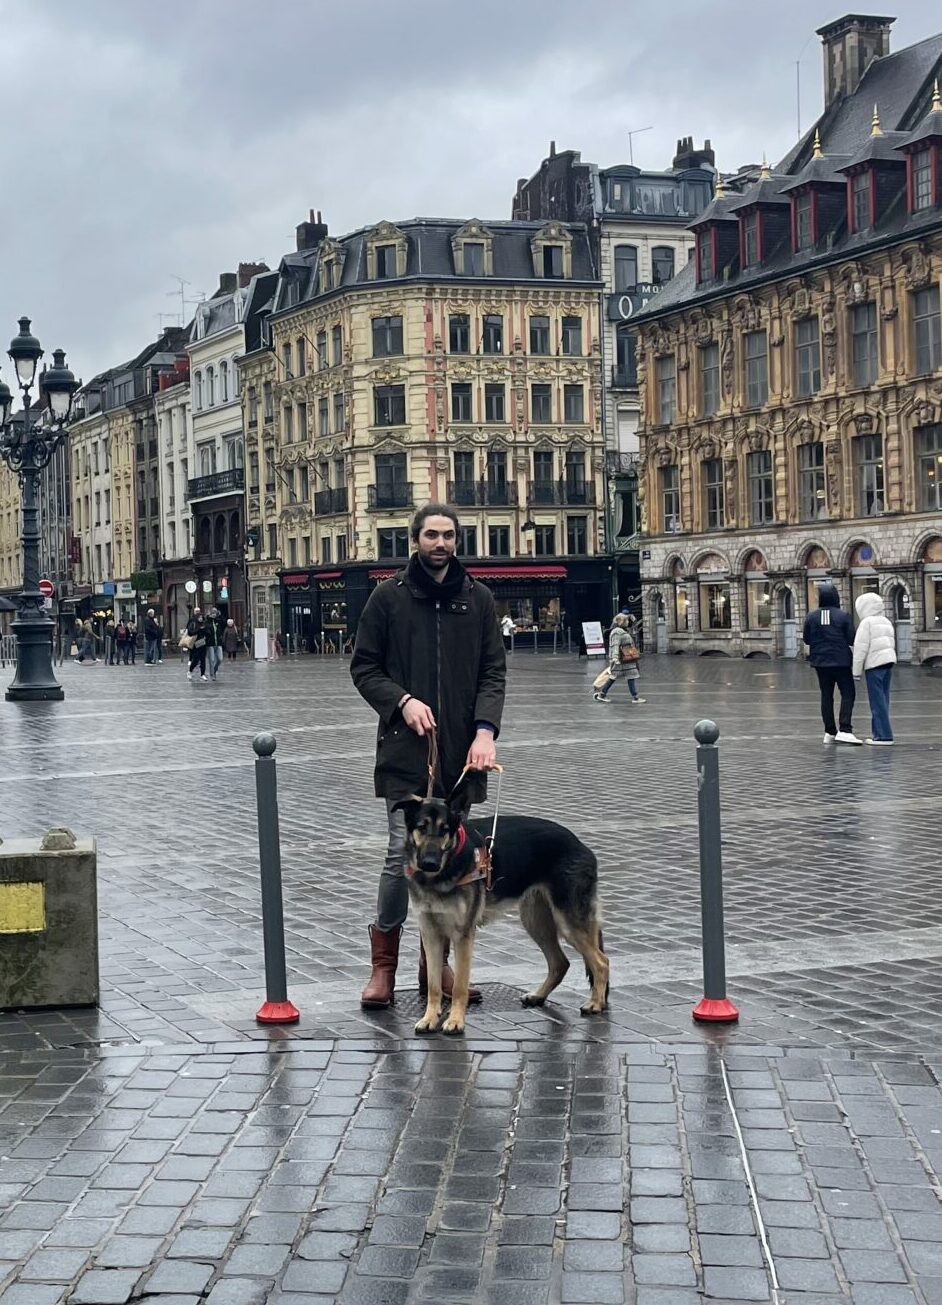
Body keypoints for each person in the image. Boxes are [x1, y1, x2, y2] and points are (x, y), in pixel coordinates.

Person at [351, 502, 507, 1010]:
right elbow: (364, 667)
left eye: (449, 536)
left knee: (451, 855)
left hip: (462, 753)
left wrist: (485, 732)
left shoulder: (478, 599)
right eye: (431, 535)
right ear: (414, 539)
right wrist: (401, 701)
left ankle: (433, 964)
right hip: (404, 748)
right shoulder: (387, 598)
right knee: (404, 853)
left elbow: (492, 672)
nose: (441, 544)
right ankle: (384, 966)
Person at [802, 583, 861, 745]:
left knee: (826, 695)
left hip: (820, 661)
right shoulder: (843, 615)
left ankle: (829, 731)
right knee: (848, 693)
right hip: (841, 661)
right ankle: (845, 728)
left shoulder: (811, 616)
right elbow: (851, 638)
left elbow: (806, 638)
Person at [852, 592, 897, 745]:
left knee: (877, 701)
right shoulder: (886, 621)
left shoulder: (867, 623)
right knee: (884, 700)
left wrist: (856, 672)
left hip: (874, 664)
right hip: (888, 662)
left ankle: (883, 736)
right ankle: (878, 733)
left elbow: (860, 649)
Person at [593, 612, 645, 704]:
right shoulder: (617, 632)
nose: (627, 622)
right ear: (622, 622)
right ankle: (602, 694)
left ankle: (635, 697)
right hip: (622, 659)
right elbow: (615, 645)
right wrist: (615, 658)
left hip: (627, 659)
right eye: (626, 620)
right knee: (615, 677)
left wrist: (633, 620)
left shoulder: (623, 630)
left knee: (627, 677)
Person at [186, 608, 208, 681]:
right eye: (199, 617)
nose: (201, 619)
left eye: (201, 617)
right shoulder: (193, 623)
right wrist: (199, 630)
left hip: (203, 643)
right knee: (195, 659)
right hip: (195, 643)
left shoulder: (204, 624)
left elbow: (208, 633)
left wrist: (205, 630)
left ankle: (203, 674)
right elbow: (190, 632)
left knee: (203, 659)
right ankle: (190, 671)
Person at [205, 608, 224, 680]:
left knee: (220, 659)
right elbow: (205, 630)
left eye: (215, 613)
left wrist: (220, 616)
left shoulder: (218, 621)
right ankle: (212, 674)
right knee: (211, 660)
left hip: (218, 643)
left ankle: (214, 670)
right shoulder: (207, 622)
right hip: (210, 643)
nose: (213, 615)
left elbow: (223, 622)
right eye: (212, 613)